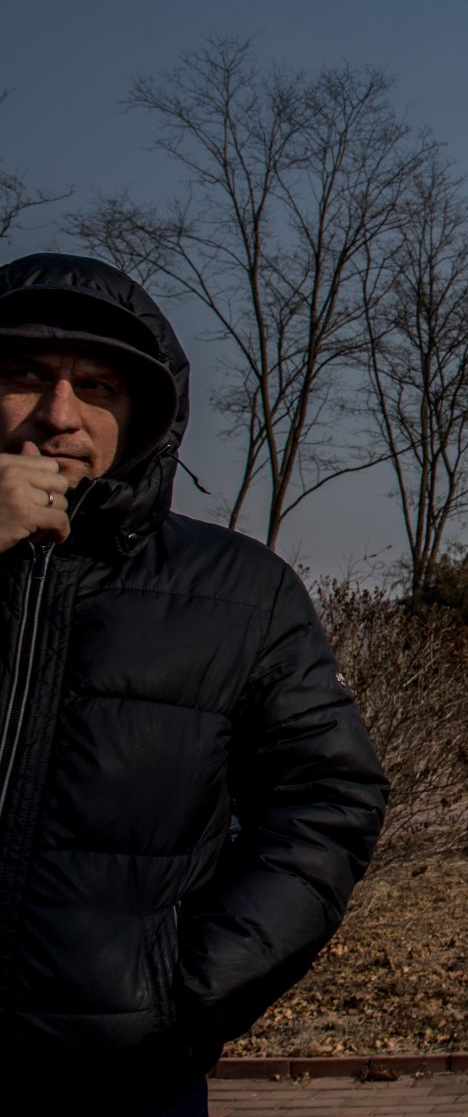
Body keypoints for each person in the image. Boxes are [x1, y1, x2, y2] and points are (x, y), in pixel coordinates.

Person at [0, 252, 389, 1115]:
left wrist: (190, 991)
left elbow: (327, 798)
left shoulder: (238, 592)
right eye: (24, 375)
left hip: (120, 1082)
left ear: (140, 415)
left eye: (97, 387)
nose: (58, 416)